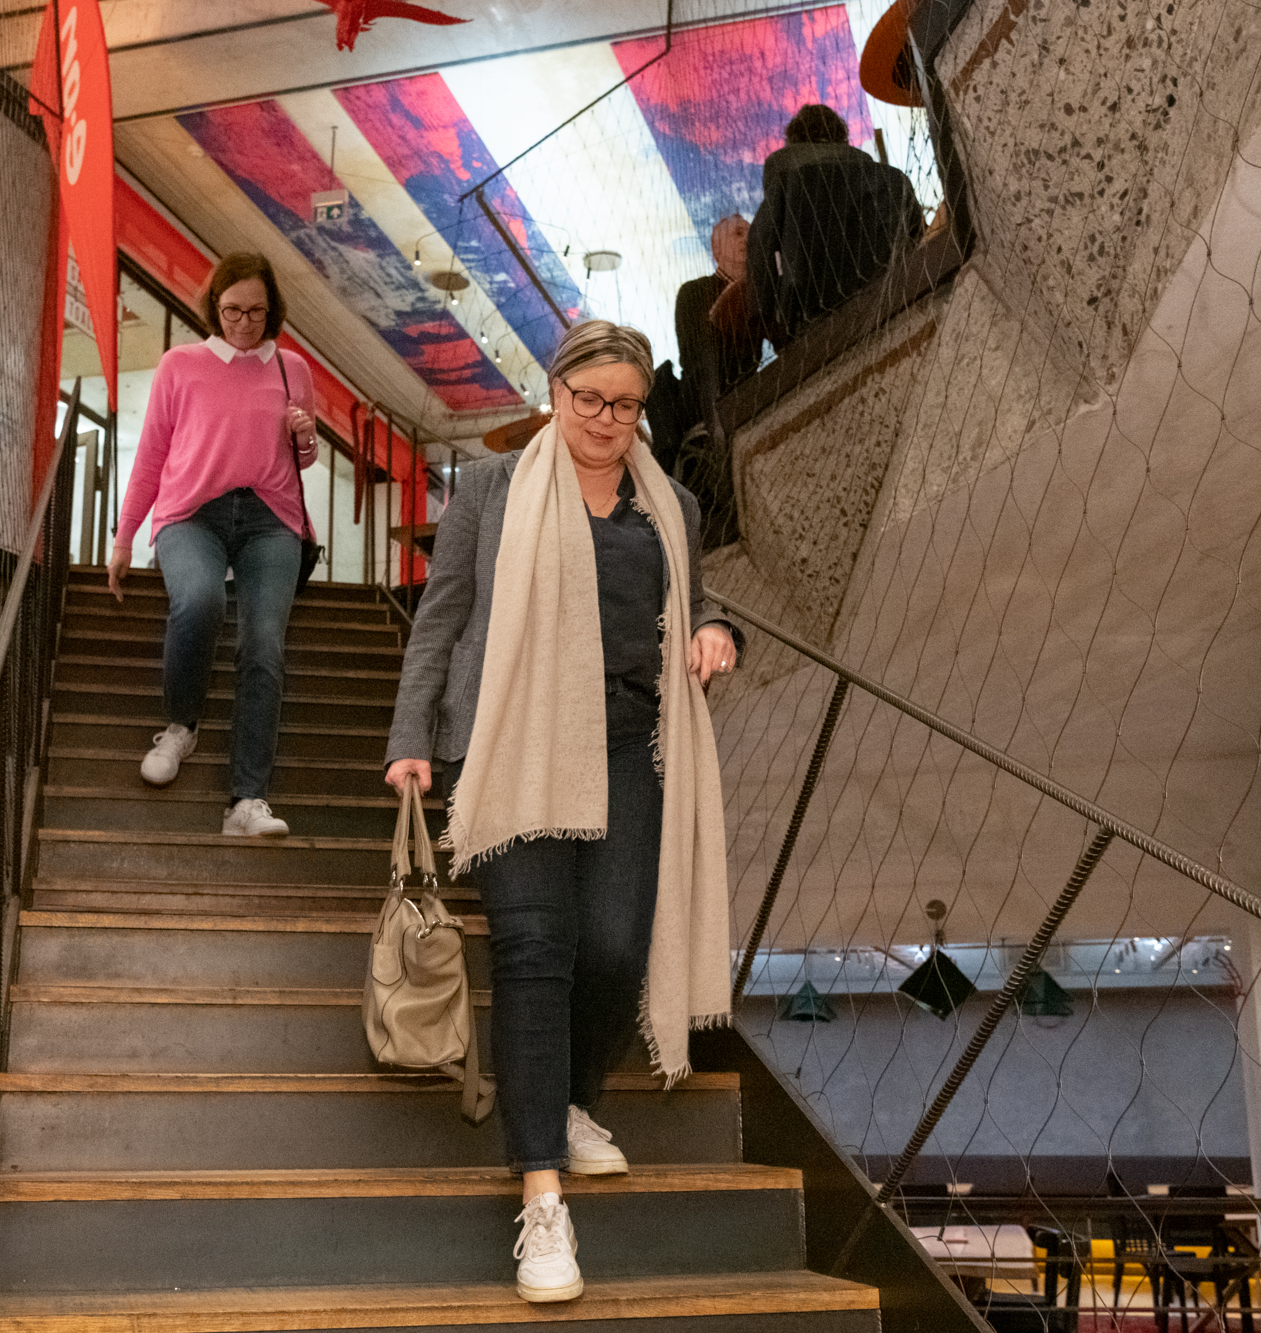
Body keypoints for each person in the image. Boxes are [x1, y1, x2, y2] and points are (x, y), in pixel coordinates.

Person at [383, 320, 741, 1304]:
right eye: (589, 399)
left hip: (628, 742)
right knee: (537, 947)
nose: (605, 419)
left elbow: (695, 602)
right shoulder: (492, 490)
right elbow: (442, 614)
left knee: (616, 947)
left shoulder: (670, 505)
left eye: (625, 405)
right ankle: (542, 1196)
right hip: (514, 734)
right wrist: (411, 735)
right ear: (555, 392)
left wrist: (714, 630)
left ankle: (573, 1099)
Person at [108, 253, 317, 837]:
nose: (244, 323)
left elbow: (302, 459)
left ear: (272, 310)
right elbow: (152, 454)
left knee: (264, 646)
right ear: (214, 307)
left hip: (271, 518)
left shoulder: (293, 368)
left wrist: (305, 438)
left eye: (256, 311)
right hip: (191, 513)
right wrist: (124, 538)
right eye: (232, 310)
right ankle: (181, 727)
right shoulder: (181, 365)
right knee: (200, 601)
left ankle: (246, 802)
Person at [746, 103, 924, 342]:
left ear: (794, 142)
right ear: (842, 138)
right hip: (895, 308)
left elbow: (760, 256)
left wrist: (774, 331)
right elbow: (917, 240)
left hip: (816, 331)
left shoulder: (784, 189)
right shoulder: (892, 180)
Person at [671, 214, 762, 548]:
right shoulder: (694, 292)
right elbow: (701, 361)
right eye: (737, 233)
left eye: (750, 232)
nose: (746, 238)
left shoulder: (757, 292)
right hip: (710, 410)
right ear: (716, 250)